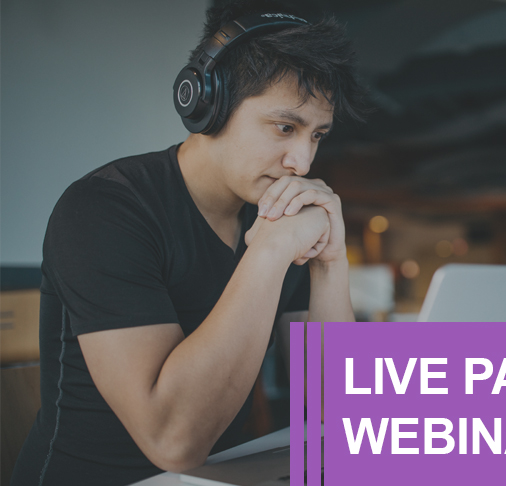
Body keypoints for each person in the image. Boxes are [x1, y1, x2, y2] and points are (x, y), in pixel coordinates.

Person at [12, 1, 369, 485]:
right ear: (208, 103)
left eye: (317, 135)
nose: (302, 162)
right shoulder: (104, 210)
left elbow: (341, 413)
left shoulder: (279, 216)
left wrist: (330, 262)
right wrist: (266, 251)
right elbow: (173, 442)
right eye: (285, 127)